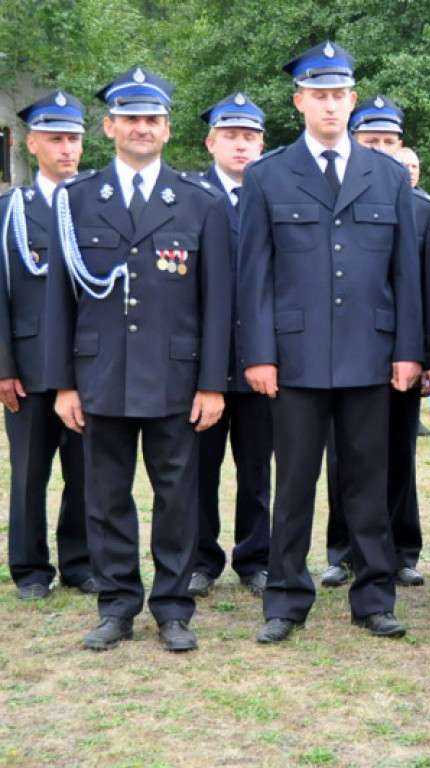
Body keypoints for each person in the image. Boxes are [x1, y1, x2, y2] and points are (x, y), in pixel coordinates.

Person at [237, 42, 423, 644]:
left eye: (340, 95)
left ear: (352, 101)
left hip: (371, 356)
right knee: (293, 483)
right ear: (300, 103)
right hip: (294, 359)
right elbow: (254, 276)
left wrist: (409, 350)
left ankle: (374, 597)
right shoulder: (268, 176)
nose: (331, 105)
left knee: (368, 482)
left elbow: (405, 277)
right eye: (319, 95)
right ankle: (286, 601)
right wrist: (259, 354)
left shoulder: (387, 174)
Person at [45, 67, 232, 652]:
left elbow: (217, 302)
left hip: (176, 376)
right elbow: (58, 299)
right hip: (99, 374)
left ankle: (173, 608)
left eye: (152, 119)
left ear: (168, 129)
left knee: (178, 497)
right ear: (109, 127)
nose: (142, 128)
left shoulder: (200, 203)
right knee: (104, 495)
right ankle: (118, 604)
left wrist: (212, 383)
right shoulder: (77, 200)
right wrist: (62, 384)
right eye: (131, 119)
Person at [322, 94, 430, 590]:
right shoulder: (333, 196)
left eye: (391, 141)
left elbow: (427, 286)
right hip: (346, 349)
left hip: (402, 351)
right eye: (373, 141)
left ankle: (402, 548)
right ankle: (343, 549)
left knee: (398, 453)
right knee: (343, 454)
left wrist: (425, 353)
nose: (383, 149)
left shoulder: (424, 208)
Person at [0, 91, 93, 601]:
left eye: (75, 139)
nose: (67, 149)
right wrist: (3, 366)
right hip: (30, 367)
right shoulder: (10, 210)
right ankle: (31, 568)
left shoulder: (96, 204)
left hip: (88, 364)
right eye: (56, 138)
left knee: (87, 474)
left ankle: (81, 563)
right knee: (30, 473)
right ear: (32, 142)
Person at [187, 92, 271, 599]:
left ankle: (255, 557)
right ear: (210, 142)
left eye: (250, 137)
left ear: (262, 145)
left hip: (260, 359)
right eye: (231, 136)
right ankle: (201, 558)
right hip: (201, 362)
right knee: (198, 469)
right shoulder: (192, 196)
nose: (241, 146)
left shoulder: (276, 195)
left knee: (257, 467)